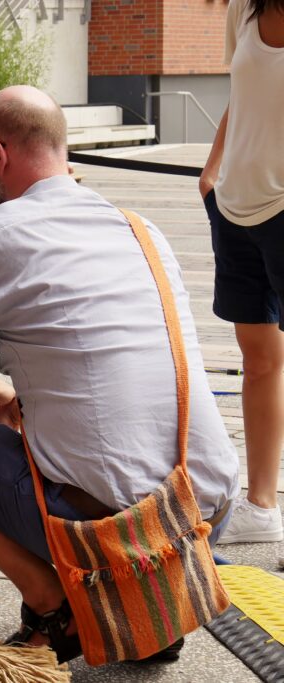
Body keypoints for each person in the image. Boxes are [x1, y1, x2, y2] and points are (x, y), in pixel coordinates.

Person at [0, 86, 239, 662]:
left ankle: (53, 603)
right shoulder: (141, 228)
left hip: (122, 530)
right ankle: (143, 610)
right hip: (206, 510)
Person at [198, 0, 284, 544]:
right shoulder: (245, 11)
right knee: (259, 363)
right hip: (236, 207)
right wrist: (211, 171)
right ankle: (262, 507)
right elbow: (241, 95)